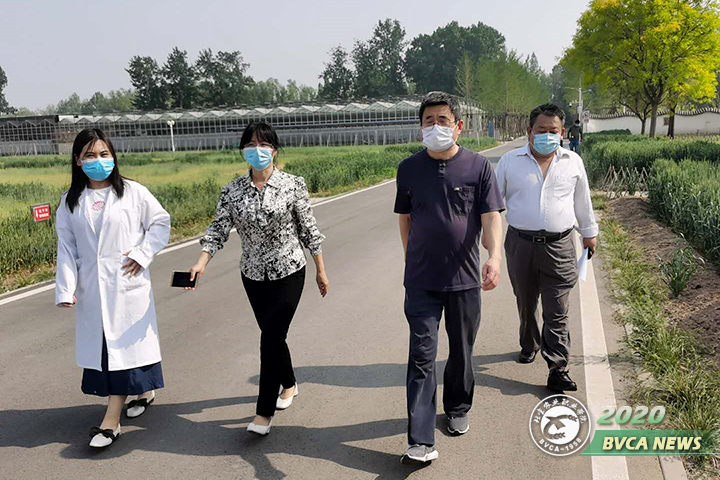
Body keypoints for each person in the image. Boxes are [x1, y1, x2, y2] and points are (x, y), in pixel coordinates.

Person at [187, 121, 329, 436]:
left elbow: (308, 228)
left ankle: (263, 413)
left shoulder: (293, 184)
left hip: (289, 270)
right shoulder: (232, 190)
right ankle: (289, 383)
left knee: (270, 338)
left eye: (263, 144)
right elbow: (218, 229)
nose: (257, 150)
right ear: (243, 150)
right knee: (273, 334)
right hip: (252, 274)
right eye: (251, 144)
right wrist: (201, 262)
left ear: (274, 150)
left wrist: (320, 269)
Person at [394, 92, 504, 465]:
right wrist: (410, 257)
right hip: (421, 280)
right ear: (420, 128)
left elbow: (491, 216)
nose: (436, 126)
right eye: (429, 121)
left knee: (462, 350)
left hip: (465, 278)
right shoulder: (409, 168)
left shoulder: (478, 167)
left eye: (443, 120)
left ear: (459, 126)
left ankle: (457, 406)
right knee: (421, 355)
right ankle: (420, 439)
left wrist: (495, 256)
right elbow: (405, 217)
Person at [55, 128, 171, 448]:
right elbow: (67, 248)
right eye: (90, 155)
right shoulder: (70, 201)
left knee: (121, 347)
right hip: (93, 288)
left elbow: (160, 223)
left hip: (127, 284)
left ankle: (111, 421)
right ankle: (144, 391)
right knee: (110, 349)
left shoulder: (133, 192)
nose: (98, 160)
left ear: (113, 156)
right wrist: (65, 288)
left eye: (104, 154)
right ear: (78, 160)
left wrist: (142, 253)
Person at [494, 104, 598, 392]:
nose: (547, 136)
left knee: (557, 309)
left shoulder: (572, 162)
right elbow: (493, 203)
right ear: (530, 131)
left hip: (560, 246)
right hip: (521, 244)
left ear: (562, 132)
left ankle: (557, 368)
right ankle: (529, 343)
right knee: (526, 302)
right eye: (541, 130)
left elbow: (582, 200)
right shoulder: (510, 161)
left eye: (553, 131)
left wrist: (589, 233)